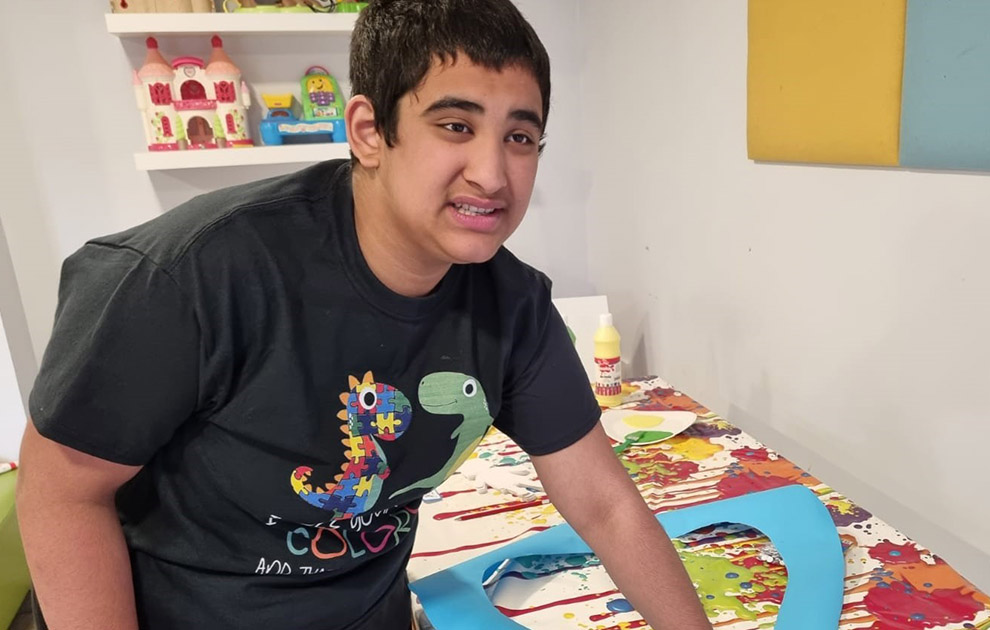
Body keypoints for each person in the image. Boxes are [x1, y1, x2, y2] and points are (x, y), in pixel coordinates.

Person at [15, 1, 713, 628]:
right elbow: (61, 491)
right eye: (455, 125)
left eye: (520, 137)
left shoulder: (514, 307)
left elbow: (605, 506)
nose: (492, 174)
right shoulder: (189, 277)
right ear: (370, 131)